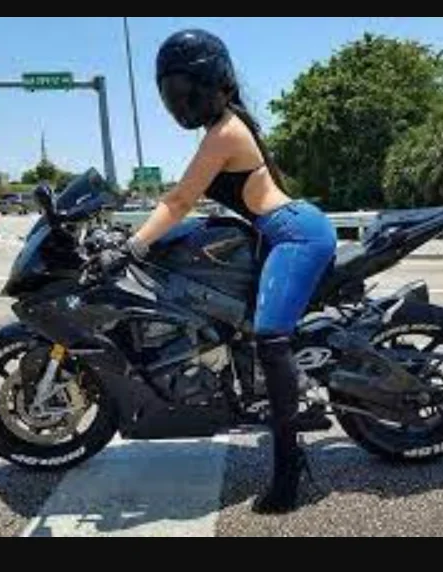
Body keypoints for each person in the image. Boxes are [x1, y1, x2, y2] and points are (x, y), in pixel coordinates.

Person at [122, 29, 337, 513]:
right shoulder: (221, 127)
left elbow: (180, 199)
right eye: (171, 91)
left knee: (271, 338)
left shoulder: (224, 133)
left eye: (184, 89)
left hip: (295, 235)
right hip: (277, 230)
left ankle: (289, 472)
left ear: (210, 83)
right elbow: (187, 202)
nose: (178, 100)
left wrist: (135, 243)